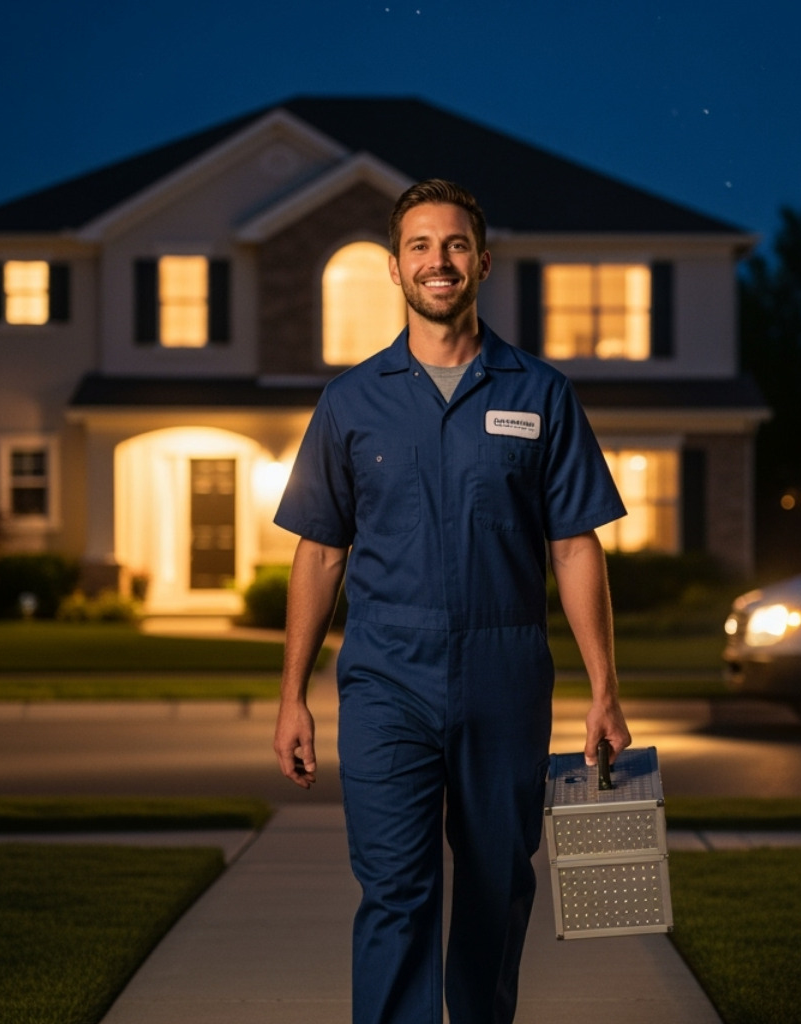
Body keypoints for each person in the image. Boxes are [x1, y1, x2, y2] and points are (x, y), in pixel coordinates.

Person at [271, 178, 632, 1024]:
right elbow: (320, 552)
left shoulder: (540, 395)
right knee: (396, 888)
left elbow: (576, 545)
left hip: (505, 673)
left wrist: (604, 689)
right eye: (422, 247)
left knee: (497, 883)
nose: (440, 261)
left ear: (483, 262)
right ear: (395, 270)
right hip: (386, 676)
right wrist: (290, 695)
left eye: (456, 245)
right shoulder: (351, 402)